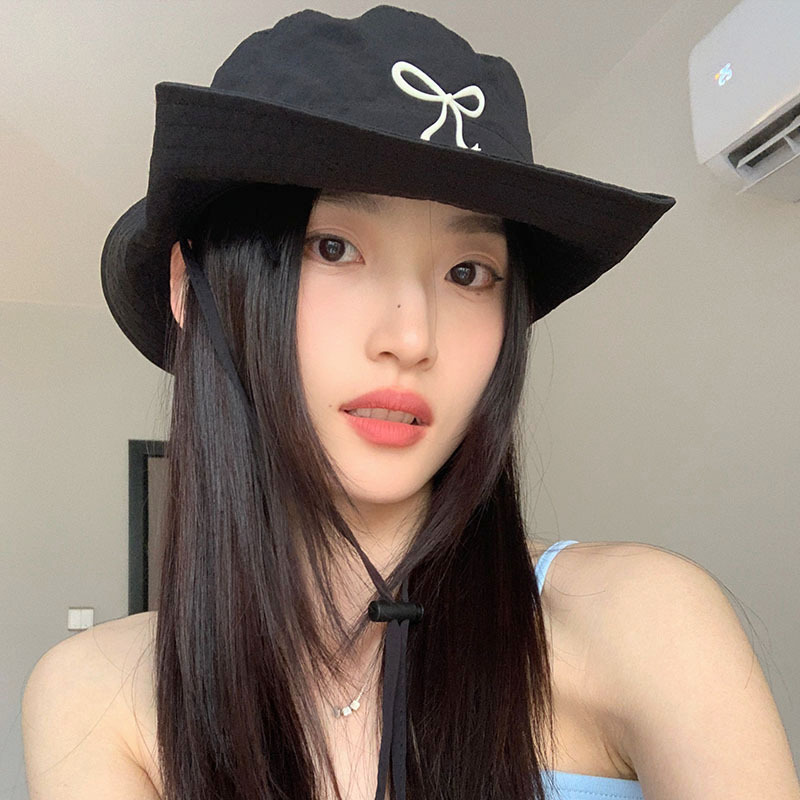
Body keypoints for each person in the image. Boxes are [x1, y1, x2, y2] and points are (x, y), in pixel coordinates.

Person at [21, 6, 800, 800]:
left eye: (468, 273)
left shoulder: (642, 624)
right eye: (334, 247)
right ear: (193, 290)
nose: (412, 337)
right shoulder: (99, 698)